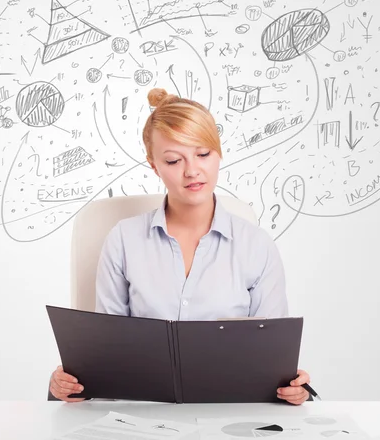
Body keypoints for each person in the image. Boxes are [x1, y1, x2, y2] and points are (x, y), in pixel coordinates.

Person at [49, 88, 313, 404]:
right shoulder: (123, 239)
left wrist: (291, 387)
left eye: (203, 154)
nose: (192, 171)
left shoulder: (256, 245)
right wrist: (72, 382)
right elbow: (108, 353)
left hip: (229, 410)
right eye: (174, 160)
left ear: (218, 153)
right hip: (142, 413)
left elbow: (271, 357)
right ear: (154, 165)